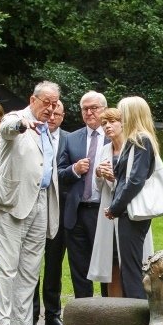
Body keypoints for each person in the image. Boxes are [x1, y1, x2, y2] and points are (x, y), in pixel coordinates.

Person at [0, 81, 61, 325]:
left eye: (54, 104)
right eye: (46, 103)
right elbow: (6, 129)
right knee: (7, 266)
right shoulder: (16, 118)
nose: (51, 109)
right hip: (13, 202)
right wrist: (22, 125)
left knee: (31, 266)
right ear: (33, 99)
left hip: (41, 201)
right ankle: (2, 323)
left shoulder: (49, 129)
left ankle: (21, 321)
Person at [88, 107, 153, 293]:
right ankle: (116, 306)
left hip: (128, 209)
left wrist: (113, 178)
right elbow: (97, 186)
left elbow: (134, 181)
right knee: (112, 259)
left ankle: (134, 302)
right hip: (109, 211)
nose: (108, 126)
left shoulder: (133, 147)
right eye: (104, 124)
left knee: (133, 260)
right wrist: (99, 174)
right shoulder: (104, 149)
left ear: (122, 122)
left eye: (112, 122)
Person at [104, 96, 162, 299]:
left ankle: (136, 316)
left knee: (131, 267)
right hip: (128, 211)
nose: (119, 116)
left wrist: (115, 207)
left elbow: (135, 180)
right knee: (129, 265)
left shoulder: (141, 139)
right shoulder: (137, 139)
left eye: (122, 112)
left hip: (132, 212)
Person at [59, 91, 109, 298]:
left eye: (94, 108)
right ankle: (84, 314)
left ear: (104, 109)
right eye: (85, 109)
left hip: (105, 210)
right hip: (78, 211)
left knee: (108, 265)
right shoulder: (72, 138)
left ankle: (111, 312)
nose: (89, 113)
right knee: (80, 268)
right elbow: (59, 173)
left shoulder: (114, 135)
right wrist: (74, 170)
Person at [32, 100, 67, 325]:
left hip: (59, 210)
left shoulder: (70, 139)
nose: (52, 116)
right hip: (32, 209)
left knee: (54, 266)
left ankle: (53, 315)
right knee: (30, 264)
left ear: (63, 116)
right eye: (50, 112)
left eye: (57, 113)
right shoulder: (31, 133)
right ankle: (30, 314)